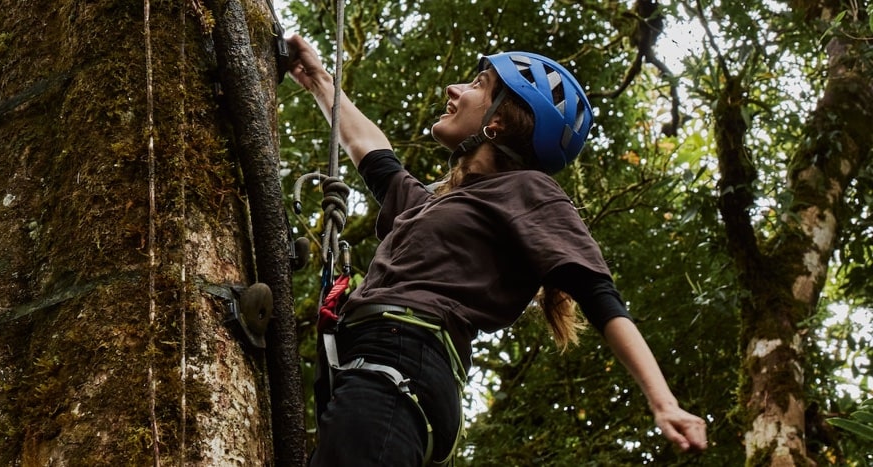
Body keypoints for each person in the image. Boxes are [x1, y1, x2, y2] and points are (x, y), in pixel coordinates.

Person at [282, 34, 709, 465]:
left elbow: (598, 293)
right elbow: (373, 155)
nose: (454, 90)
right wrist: (319, 81)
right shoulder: (438, 206)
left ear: (499, 121)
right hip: (377, 367)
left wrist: (662, 399)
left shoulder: (528, 190)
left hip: (402, 361)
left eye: (477, 84)